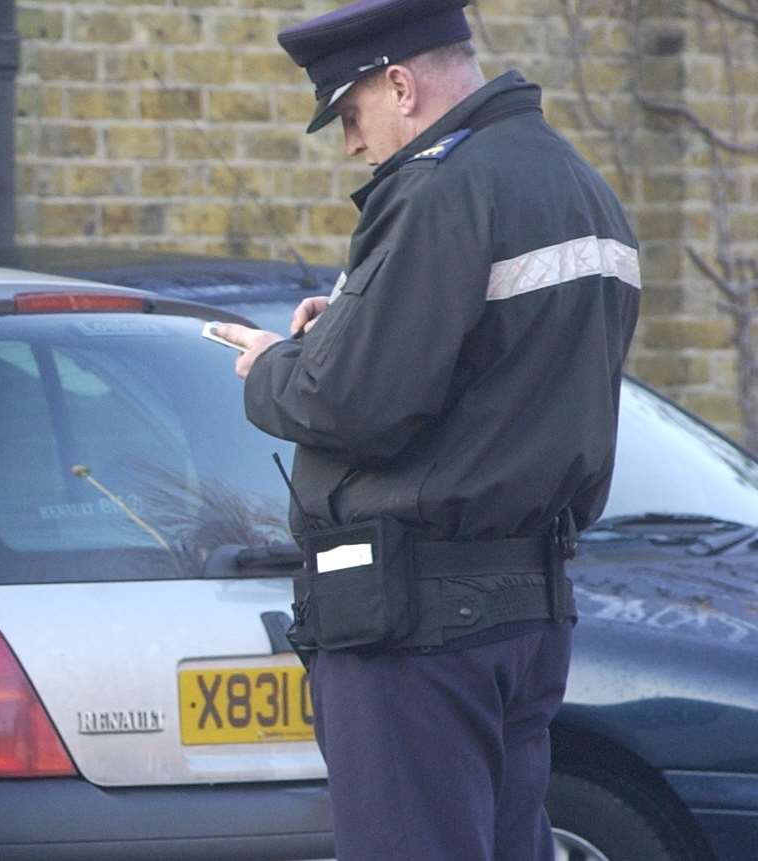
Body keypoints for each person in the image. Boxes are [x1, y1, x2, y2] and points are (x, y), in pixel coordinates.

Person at [212, 1, 641, 859]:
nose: (352, 145)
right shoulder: (579, 185)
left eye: (350, 113)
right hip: (526, 606)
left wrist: (271, 365)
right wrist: (345, 328)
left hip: (417, 621)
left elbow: (351, 404)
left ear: (400, 86)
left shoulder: (443, 189)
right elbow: (488, 370)